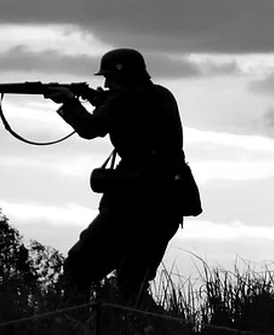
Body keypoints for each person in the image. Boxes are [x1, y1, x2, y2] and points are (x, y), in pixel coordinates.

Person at [42, 48, 200, 307]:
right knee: (132, 283)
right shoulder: (162, 95)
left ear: (123, 75)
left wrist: (70, 103)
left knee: (79, 268)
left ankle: (71, 321)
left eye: (110, 78)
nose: (106, 84)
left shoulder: (122, 100)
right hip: (170, 199)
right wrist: (96, 99)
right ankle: (157, 325)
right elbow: (134, 114)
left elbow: (91, 128)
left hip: (132, 201)